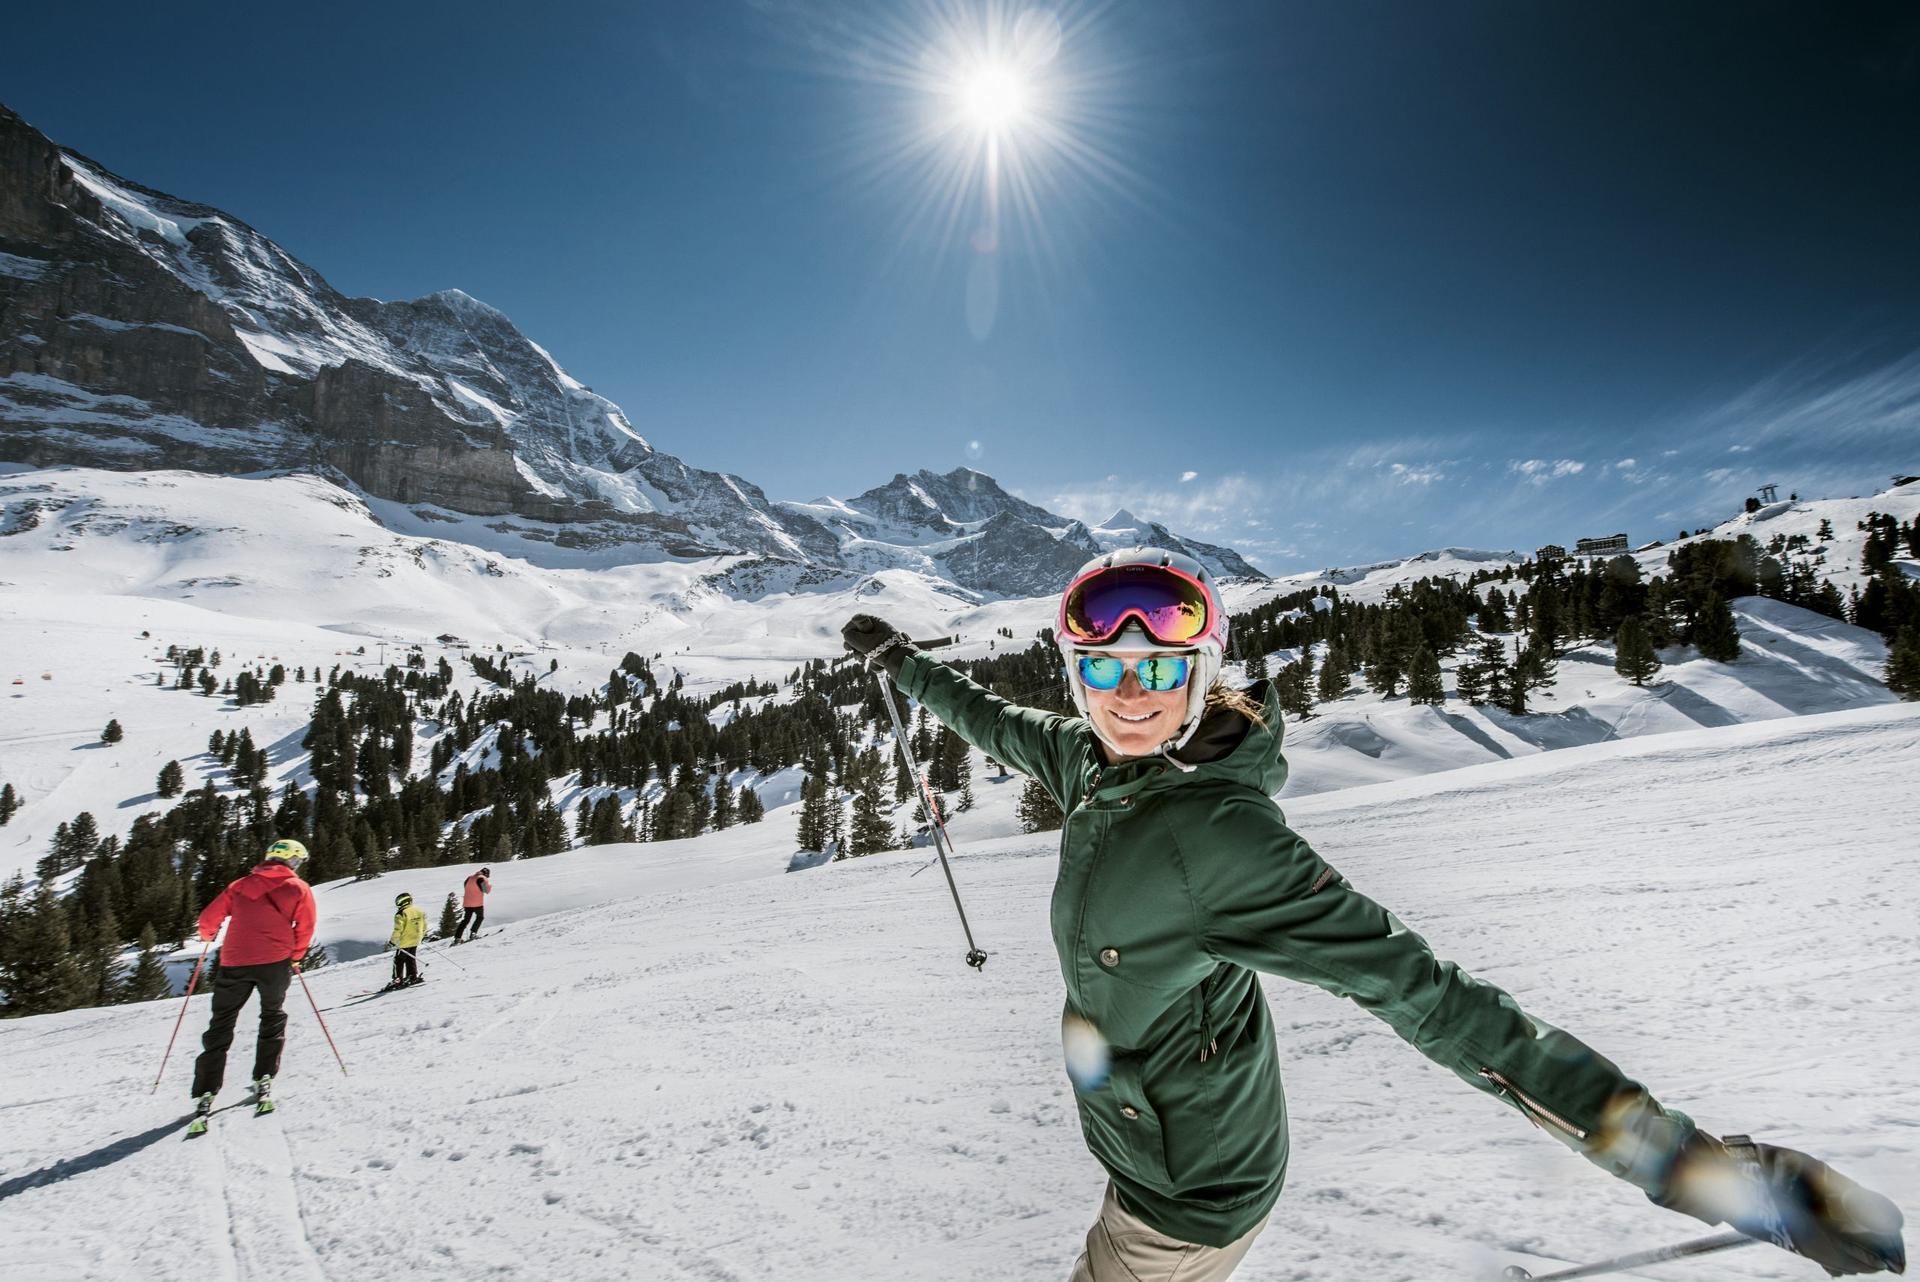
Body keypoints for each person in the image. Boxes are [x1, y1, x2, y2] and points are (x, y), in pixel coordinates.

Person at [841, 547, 1905, 1282]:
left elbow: (1439, 1003)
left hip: (1183, 1197)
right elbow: (992, 717)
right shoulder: (1091, 760)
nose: (1131, 693)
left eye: (1160, 667)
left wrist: (1707, 1171)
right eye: (1106, 669)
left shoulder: (1225, 841)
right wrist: (903, 666)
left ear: (1201, 673)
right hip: (1165, 1134)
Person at [190, 839, 315, 1125]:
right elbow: (305, 927)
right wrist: (295, 957)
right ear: (293, 861)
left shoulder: (240, 885)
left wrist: (208, 936)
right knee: (272, 1016)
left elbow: (209, 919)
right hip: (275, 962)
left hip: (235, 961)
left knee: (221, 1022)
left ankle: (206, 1090)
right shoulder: (298, 888)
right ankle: (265, 1074)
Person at [386, 891, 427, 990]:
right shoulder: (419, 911)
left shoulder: (401, 914)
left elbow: (398, 930)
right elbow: (424, 925)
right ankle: (412, 976)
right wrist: (422, 936)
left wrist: (393, 941)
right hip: (416, 939)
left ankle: (397, 979)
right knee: (410, 958)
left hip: (404, 941)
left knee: (398, 960)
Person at [454, 866, 490, 943]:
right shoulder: (481, 878)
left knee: (466, 920)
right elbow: (486, 890)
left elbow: (465, 886)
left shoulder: (469, 877)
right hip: (477, 903)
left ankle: (457, 938)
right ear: (486, 874)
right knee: (480, 917)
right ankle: (473, 934)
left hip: (467, 903)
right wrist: (489, 886)